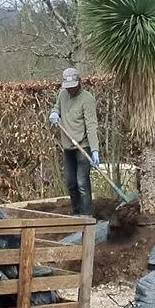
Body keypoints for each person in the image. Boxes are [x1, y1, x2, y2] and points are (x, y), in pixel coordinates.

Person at [49, 66, 101, 218]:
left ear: (79, 82)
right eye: (67, 87)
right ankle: (76, 213)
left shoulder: (87, 99)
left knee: (82, 183)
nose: (70, 90)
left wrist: (95, 150)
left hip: (82, 146)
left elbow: (91, 125)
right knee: (70, 183)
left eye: (72, 87)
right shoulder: (62, 94)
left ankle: (86, 215)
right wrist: (53, 113)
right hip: (68, 147)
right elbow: (57, 108)